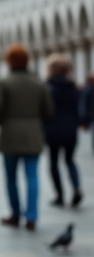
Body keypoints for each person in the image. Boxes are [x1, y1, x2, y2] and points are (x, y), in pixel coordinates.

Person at [0, 44, 53, 230]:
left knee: (11, 177)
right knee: (32, 176)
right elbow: (48, 111)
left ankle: (16, 214)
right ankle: (32, 216)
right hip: (33, 132)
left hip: (9, 132)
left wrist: (4, 121)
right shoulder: (38, 82)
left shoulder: (4, 82)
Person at [44, 54, 83, 208]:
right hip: (70, 129)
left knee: (53, 162)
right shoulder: (73, 86)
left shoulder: (47, 86)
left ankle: (59, 195)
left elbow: (44, 110)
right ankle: (76, 188)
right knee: (70, 160)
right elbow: (78, 109)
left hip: (52, 129)